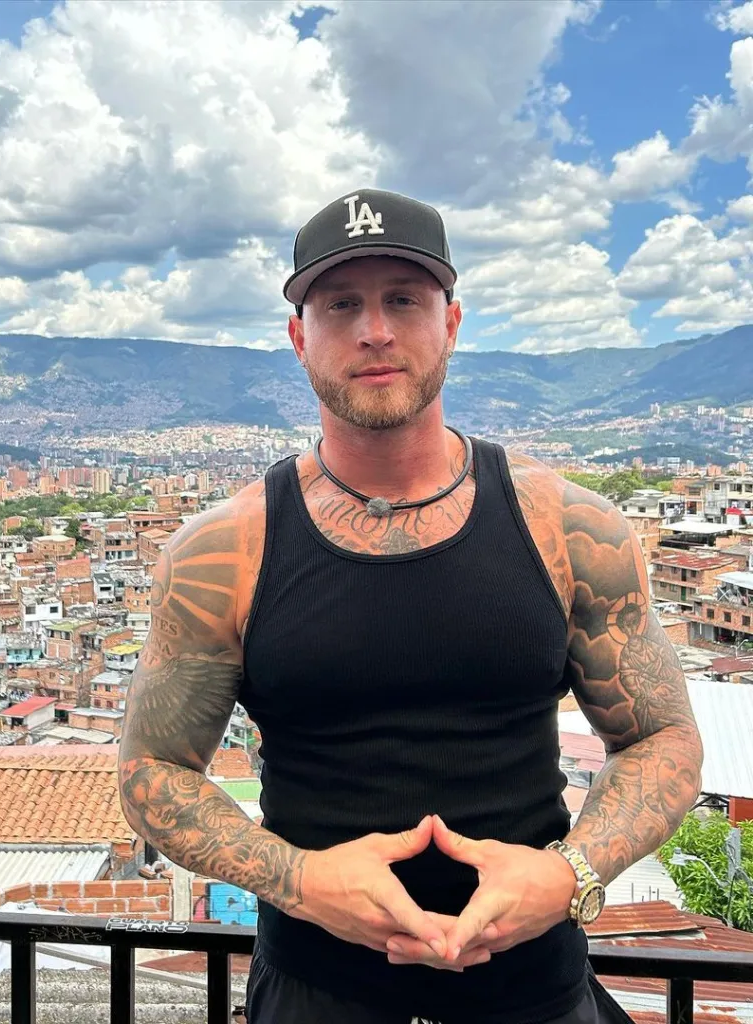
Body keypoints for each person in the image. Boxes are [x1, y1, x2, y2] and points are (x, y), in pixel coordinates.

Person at [118, 188, 704, 1024]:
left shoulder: (570, 528)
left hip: (535, 994)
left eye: (403, 299)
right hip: (316, 996)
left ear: (451, 324)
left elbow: (663, 738)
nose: (375, 331)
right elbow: (152, 771)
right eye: (340, 304)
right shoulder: (224, 552)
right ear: (299, 337)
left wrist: (568, 873)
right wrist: (299, 880)